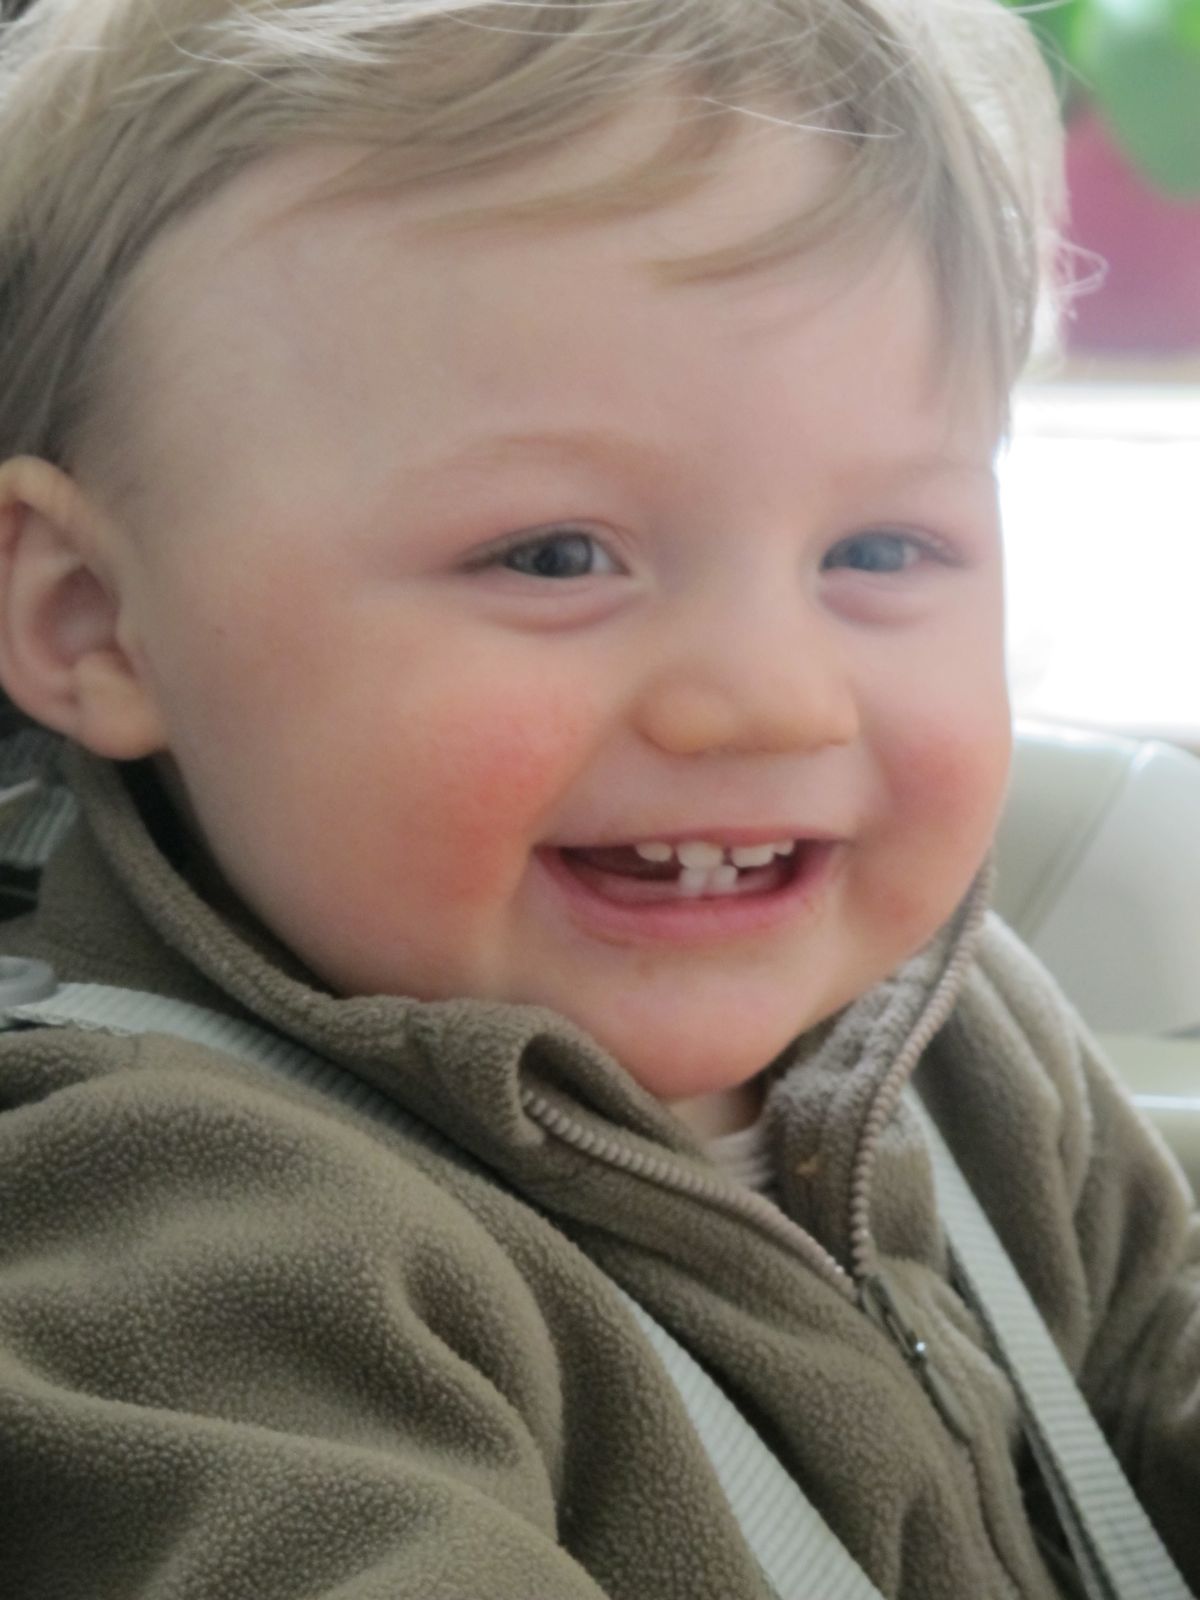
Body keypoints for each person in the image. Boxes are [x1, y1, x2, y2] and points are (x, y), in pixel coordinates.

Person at [0, 1, 1194, 1596]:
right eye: (555, 555)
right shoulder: (184, 1242)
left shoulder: (959, 1039)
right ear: (93, 617)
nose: (775, 697)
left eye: (878, 549)